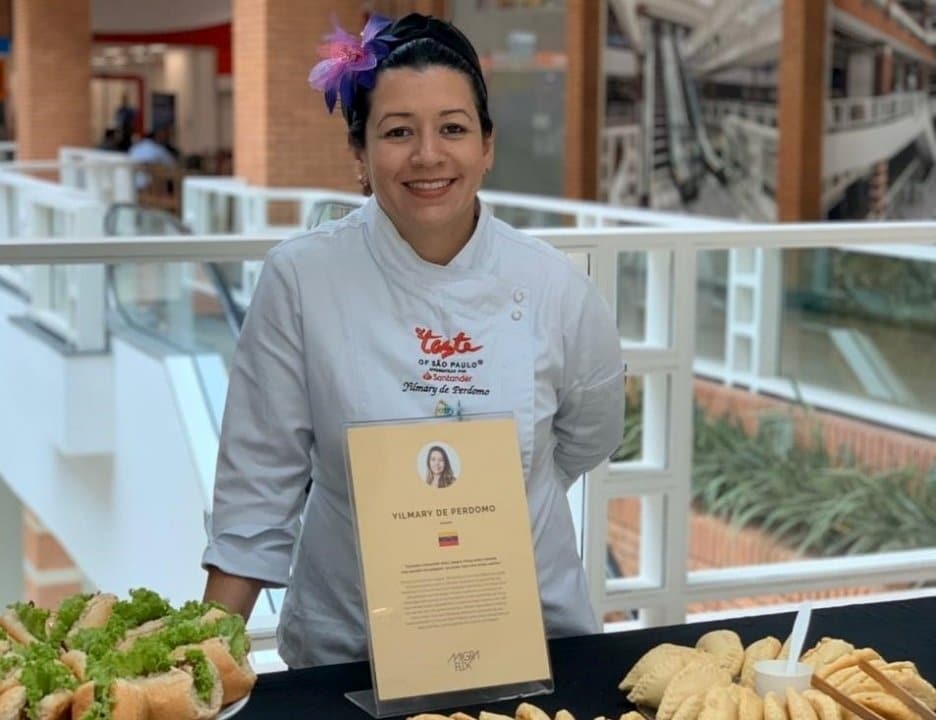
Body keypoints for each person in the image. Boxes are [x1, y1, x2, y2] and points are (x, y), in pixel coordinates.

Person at [201, 12, 625, 668]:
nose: (428, 155)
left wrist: (500, 487)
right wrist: (204, 658)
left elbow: (589, 435)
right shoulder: (303, 279)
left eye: (453, 128)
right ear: (360, 155)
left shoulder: (554, 287)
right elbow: (259, 482)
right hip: (349, 653)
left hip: (531, 641)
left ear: (487, 145)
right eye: (398, 132)